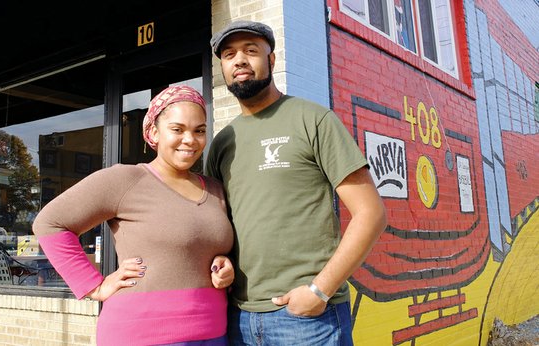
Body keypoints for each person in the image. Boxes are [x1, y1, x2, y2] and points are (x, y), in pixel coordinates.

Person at [206, 21, 388, 345]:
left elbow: (371, 213)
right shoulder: (222, 143)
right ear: (222, 68)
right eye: (230, 54)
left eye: (251, 51)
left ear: (272, 61)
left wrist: (320, 290)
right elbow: (217, 226)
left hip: (307, 320)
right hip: (239, 319)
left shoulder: (313, 120)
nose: (240, 61)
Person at [33, 85, 235, 346]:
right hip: (141, 335)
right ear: (153, 131)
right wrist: (95, 285)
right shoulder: (125, 179)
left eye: (199, 130)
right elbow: (50, 224)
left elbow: (201, 248)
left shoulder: (216, 189)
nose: (190, 139)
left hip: (214, 332)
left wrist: (225, 264)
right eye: (177, 129)